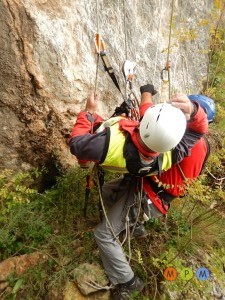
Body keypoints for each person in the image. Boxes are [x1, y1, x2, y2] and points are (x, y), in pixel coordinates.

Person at [69, 85, 209, 299]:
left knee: (103, 234)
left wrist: (90, 113)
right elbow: (186, 129)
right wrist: (194, 111)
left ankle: (128, 281)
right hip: (146, 186)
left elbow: (79, 146)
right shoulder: (176, 147)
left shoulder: (192, 145)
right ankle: (133, 229)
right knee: (106, 192)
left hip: (150, 196)